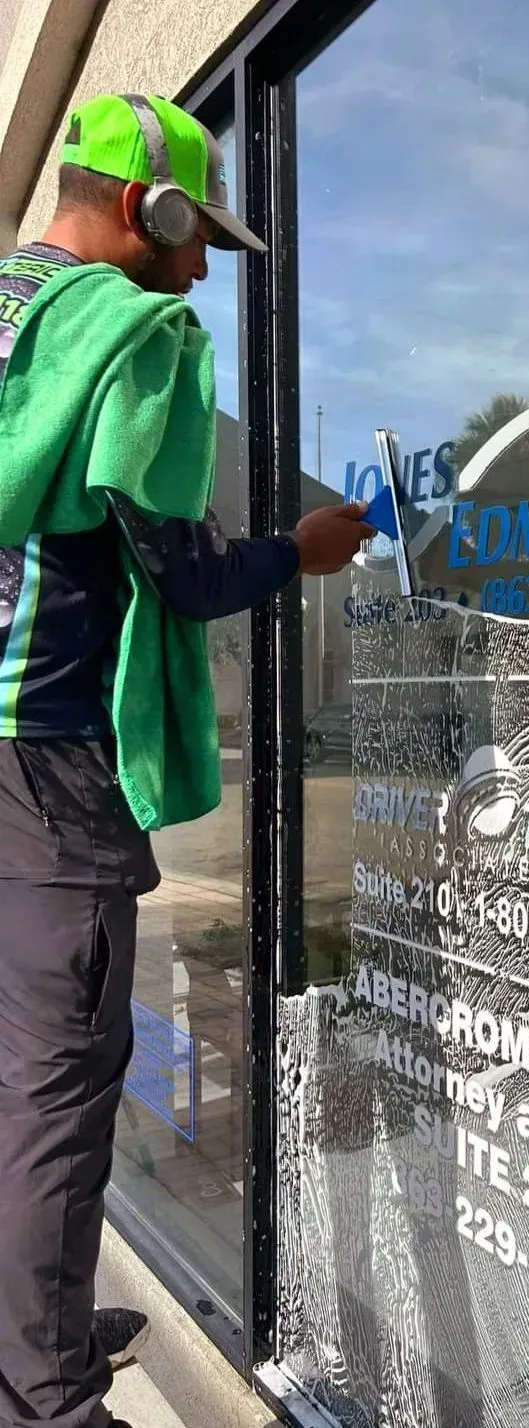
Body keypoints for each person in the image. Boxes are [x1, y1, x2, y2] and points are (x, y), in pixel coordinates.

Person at [0, 93, 373, 1428]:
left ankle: (23, 1325)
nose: (205, 267)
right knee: (57, 1086)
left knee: (7, 1064)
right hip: (40, 768)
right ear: (142, 210)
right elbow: (188, 569)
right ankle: (45, 1399)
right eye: (196, 233)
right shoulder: (134, 333)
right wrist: (305, 550)